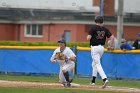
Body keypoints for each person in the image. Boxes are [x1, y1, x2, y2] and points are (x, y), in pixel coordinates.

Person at [87, 16, 115, 88]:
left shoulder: (93, 28)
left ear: (95, 21)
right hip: (101, 48)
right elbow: (112, 37)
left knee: (98, 64)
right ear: (102, 21)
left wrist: (89, 36)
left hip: (95, 48)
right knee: (94, 64)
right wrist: (110, 46)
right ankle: (93, 81)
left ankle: (104, 79)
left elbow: (88, 38)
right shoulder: (105, 29)